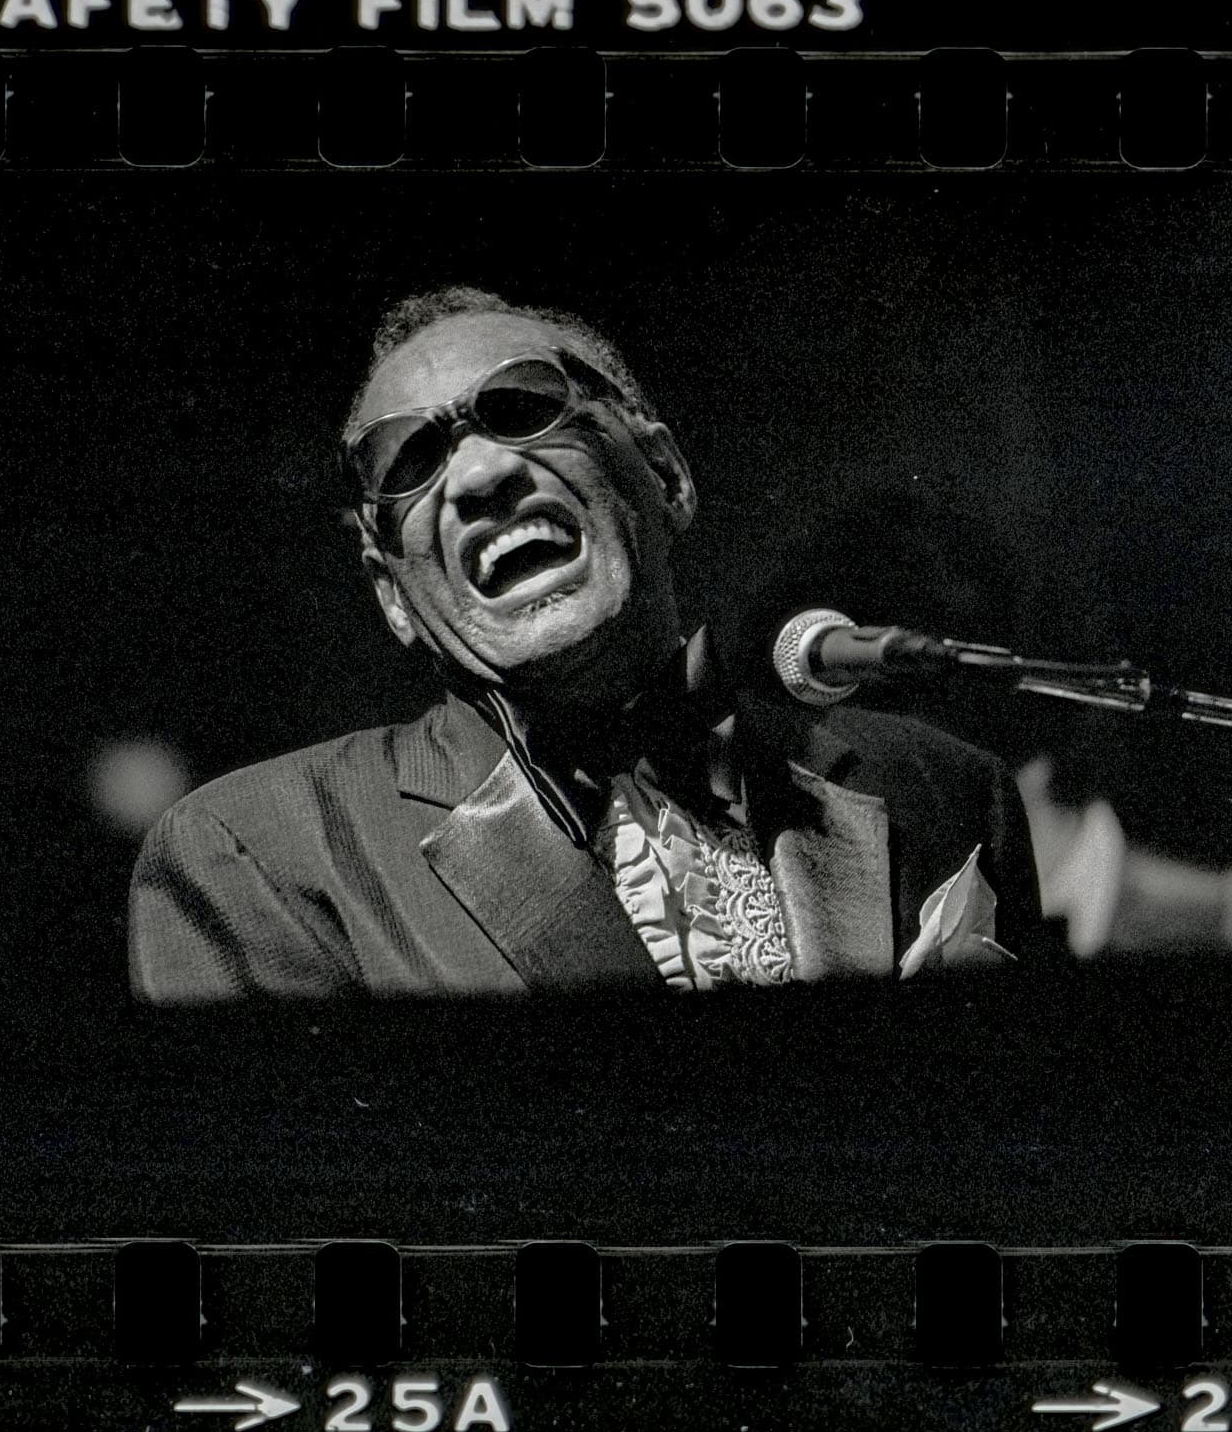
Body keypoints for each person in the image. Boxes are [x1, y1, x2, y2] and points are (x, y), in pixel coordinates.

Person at [129, 288, 1044, 1002]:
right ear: (393, 599)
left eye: (524, 405)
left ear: (666, 473)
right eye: (409, 464)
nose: (482, 473)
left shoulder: (949, 790)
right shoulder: (258, 853)